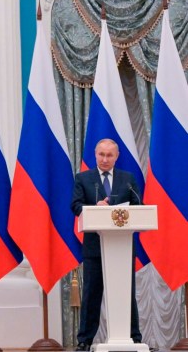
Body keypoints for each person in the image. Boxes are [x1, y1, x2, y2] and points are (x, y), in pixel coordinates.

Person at [70, 138, 142, 351]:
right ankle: (85, 341)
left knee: (125, 293)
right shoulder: (83, 178)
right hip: (94, 247)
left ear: (116, 157)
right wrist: (94, 207)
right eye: (101, 154)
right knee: (92, 293)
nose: (104, 159)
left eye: (109, 155)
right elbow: (75, 205)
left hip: (122, 247)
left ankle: (134, 338)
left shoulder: (128, 179)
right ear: (95, 154)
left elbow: (138, 206)